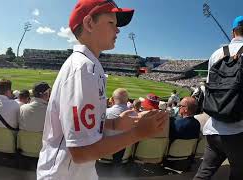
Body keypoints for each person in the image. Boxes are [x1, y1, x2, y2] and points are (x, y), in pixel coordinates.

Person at [36, 0, 167, 179]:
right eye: (111, 23)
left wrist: (114, 124)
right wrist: (138, 133)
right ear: (89, 23)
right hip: (64, 174)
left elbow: (77, 127)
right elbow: (80, 152)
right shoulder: (83, 69)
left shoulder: (90, 65)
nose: (118, 29)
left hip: (77, 172)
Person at [194, 16, 243, 180]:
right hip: (238, 131)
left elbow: (209, 88)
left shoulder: (217, 53)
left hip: (214, 128)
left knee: (203, 174)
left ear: (232, 32)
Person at [103, 88, 130, 163]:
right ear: (127, 100)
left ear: (112, 99)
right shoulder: (133, 114)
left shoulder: (106, 112)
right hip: (122, 147)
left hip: (104, 146)